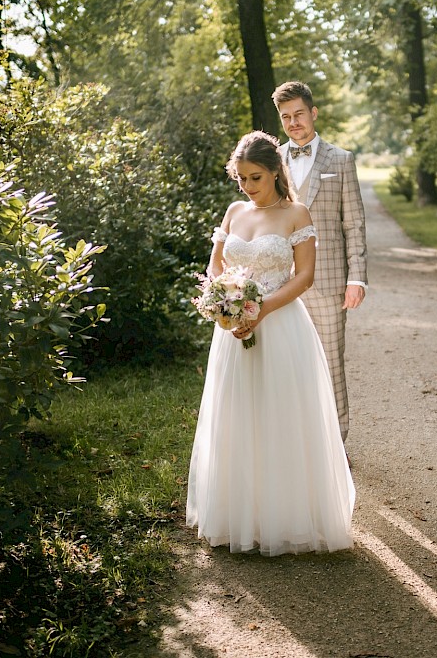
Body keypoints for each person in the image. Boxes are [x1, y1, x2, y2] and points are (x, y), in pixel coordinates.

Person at [186, 130, 355, 556]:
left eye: (255, 177)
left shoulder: (297, 214)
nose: (247, 187)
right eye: (241, 178)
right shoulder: (234, 211)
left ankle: (286, 517)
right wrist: (225, 307)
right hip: (232, 332)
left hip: (281, 328)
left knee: (279, 417)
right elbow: (216, 264)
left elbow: (304, 277)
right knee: (237, 413)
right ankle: (239, 514)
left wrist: (260, 309)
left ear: (276, 172)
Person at [271, 81, 367, 443]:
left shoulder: (340, 160)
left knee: (330, 364)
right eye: (286, 117)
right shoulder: (272, 161)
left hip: (327, 282)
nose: (293, 122)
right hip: (280, 283)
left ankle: (336, 442)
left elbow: (353, 223)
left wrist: (357, 278)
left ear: (313, 113)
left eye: (298, 114)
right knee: (285, 365)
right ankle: (296, 442)